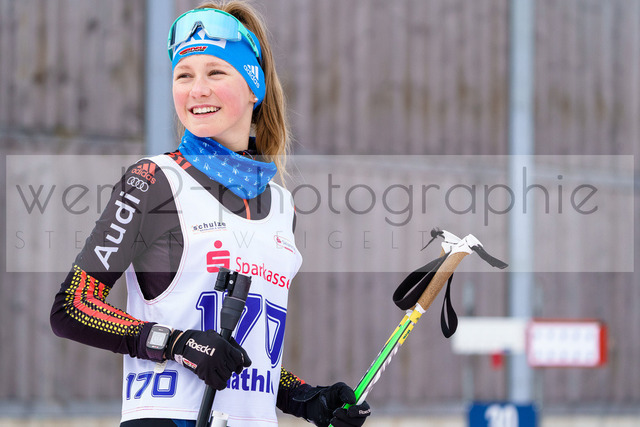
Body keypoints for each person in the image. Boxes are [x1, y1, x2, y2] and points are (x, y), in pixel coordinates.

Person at [50, 1, 371, 426]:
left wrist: (303, 397)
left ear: (253, 85)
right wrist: (175, 343)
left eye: (216, 72)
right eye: (184, 75)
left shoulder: (280, 207)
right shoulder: (153, 180)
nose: (197, 90)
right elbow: (72, 307)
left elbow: (238, 354)